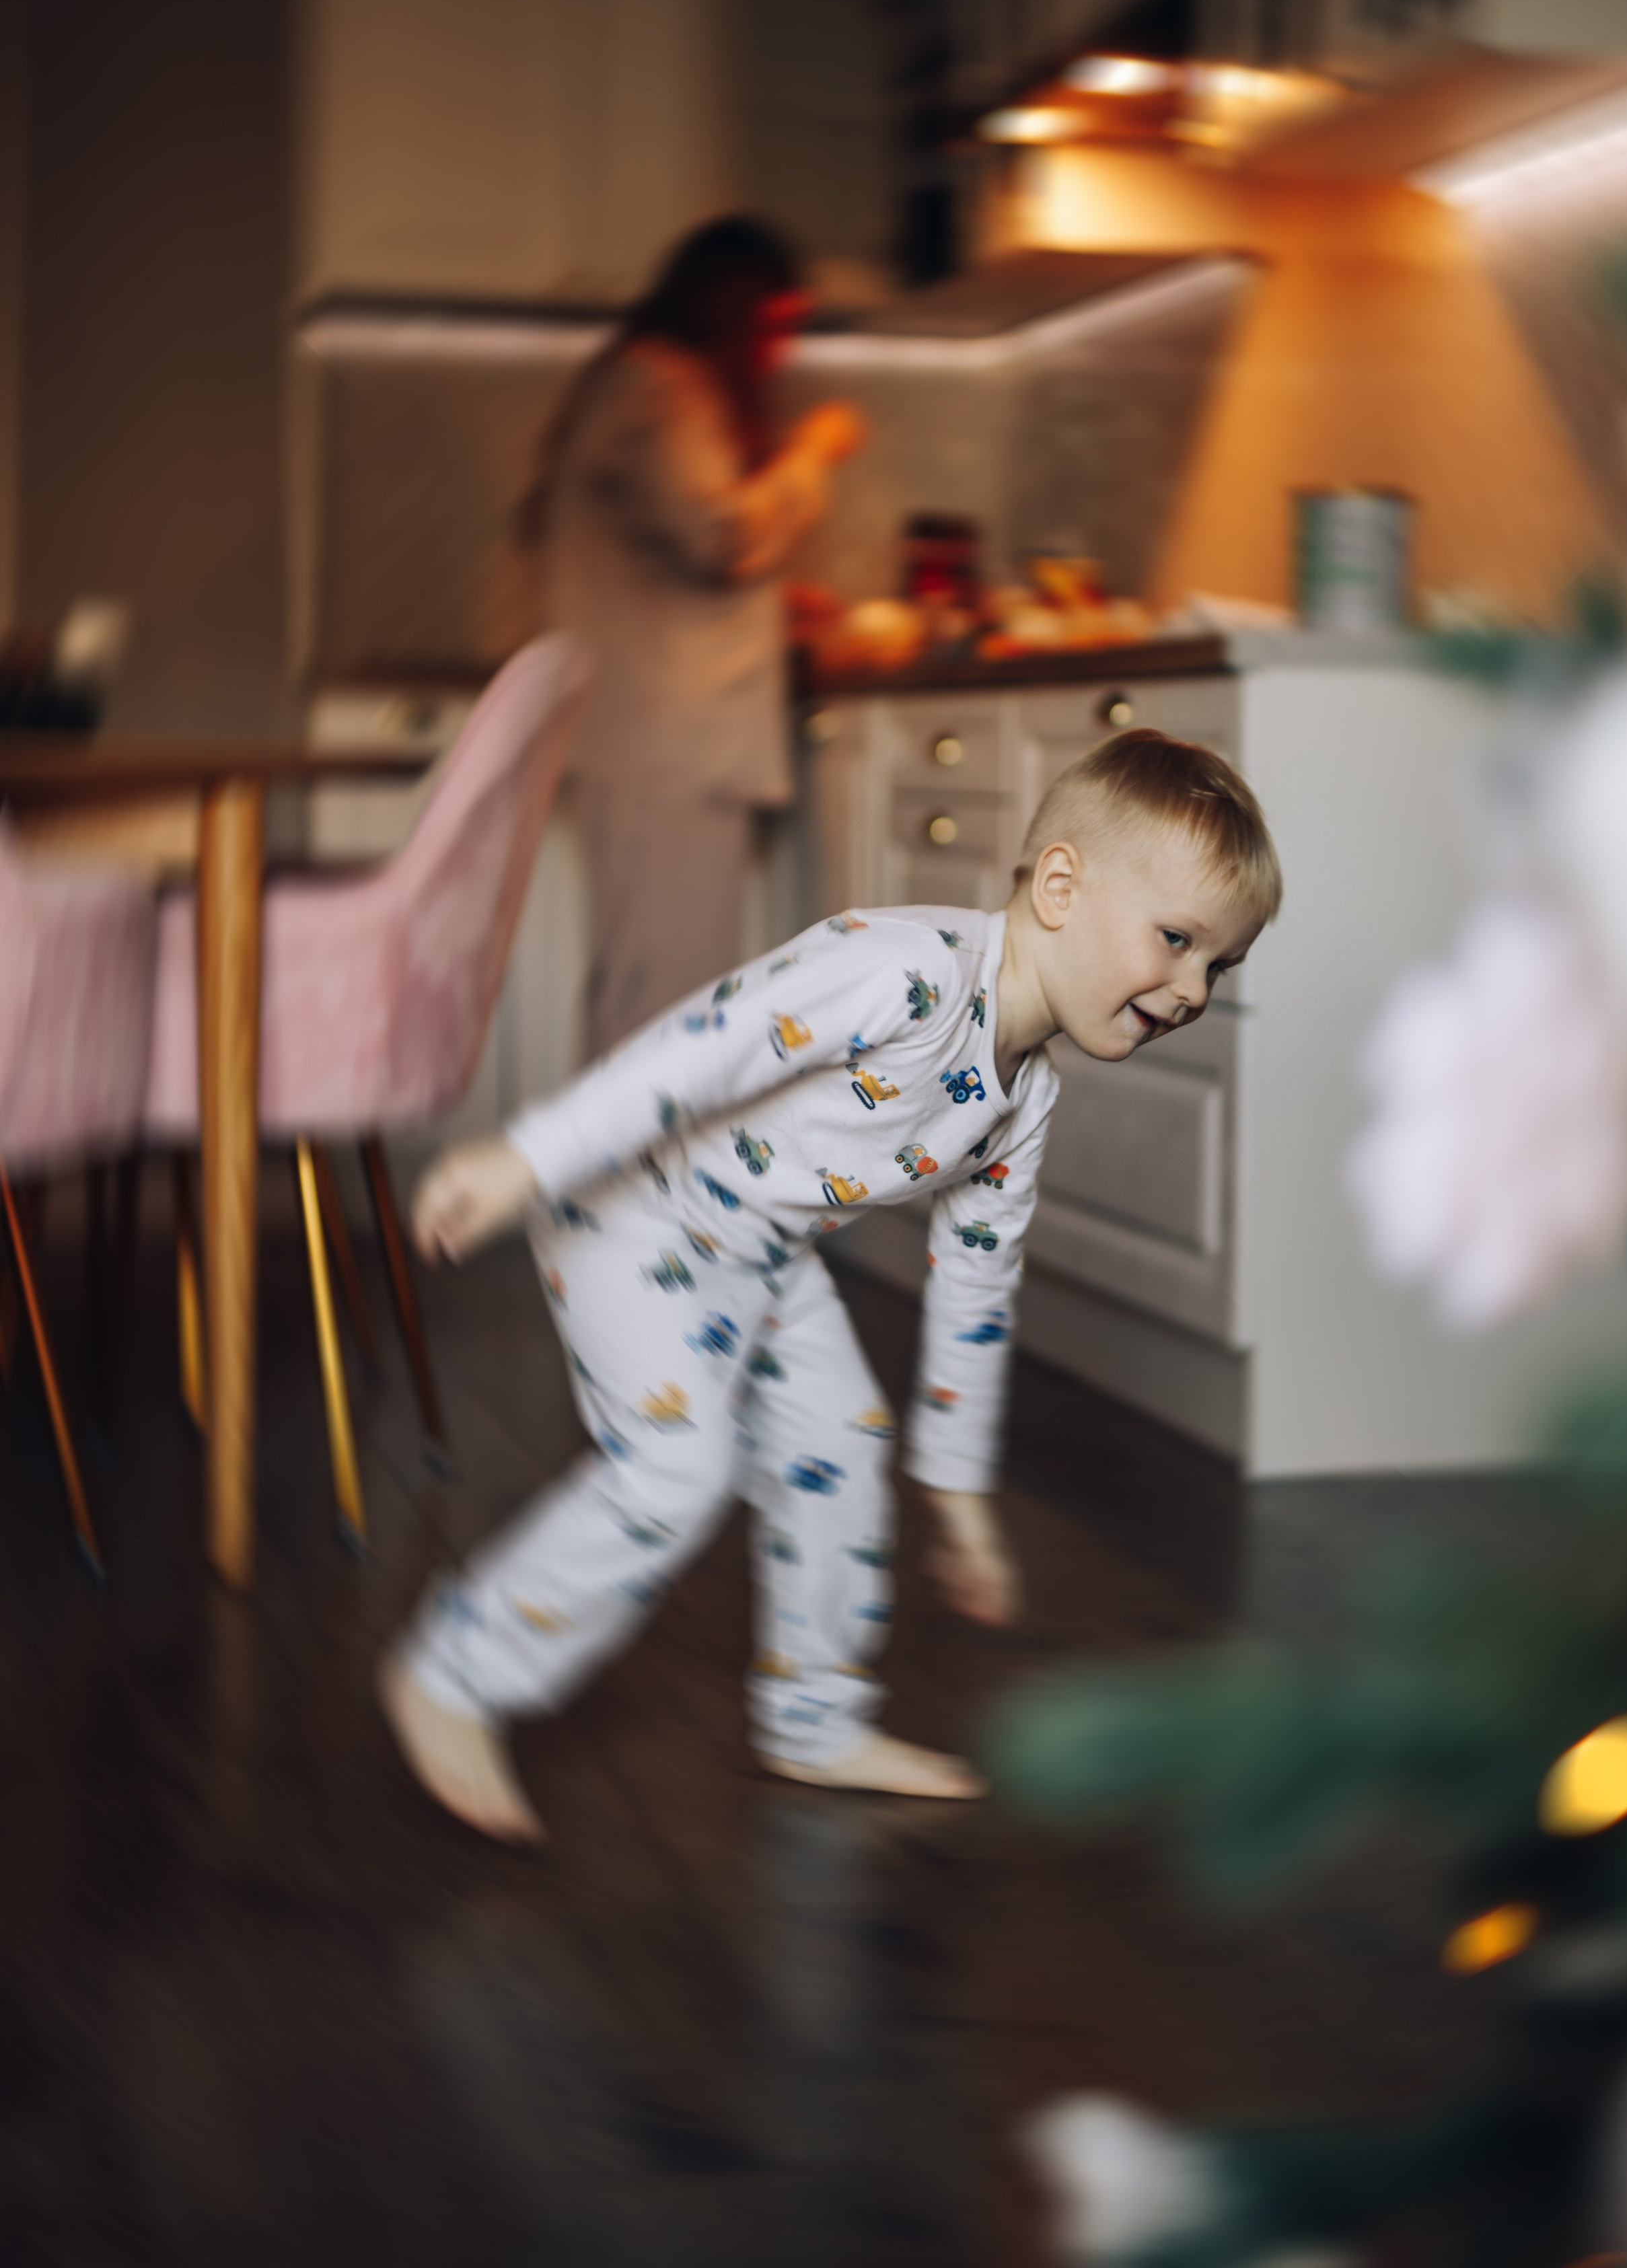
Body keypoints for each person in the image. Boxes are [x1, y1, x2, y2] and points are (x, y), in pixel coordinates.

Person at [379, 731, 1282, 1840]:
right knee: (676, 1467)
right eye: (1178, 940)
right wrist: (531, 1158)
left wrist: (954, 1484)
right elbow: (704, 1047)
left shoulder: (1023, 1101)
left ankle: (813, 1719)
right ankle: (454, 1674)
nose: (1192, 990)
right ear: (1060, 887)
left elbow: (977, 1281)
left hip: (759, 1249)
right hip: (633, 1214)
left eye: (1219, 967)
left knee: (841, 1451)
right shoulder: (903, 972)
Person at [513, 213, 865, 1058]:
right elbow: (718, 535)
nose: (780, 353)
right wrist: (810, 454)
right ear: (731, 308)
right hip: (666, 746)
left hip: (651, 741)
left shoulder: (634, 382)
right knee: (665, 1001)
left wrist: (778, 606)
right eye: (775, 325)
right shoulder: (660, 384)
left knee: (645, 991)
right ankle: (635, 1152)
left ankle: (614, 1150)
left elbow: (660, 554)